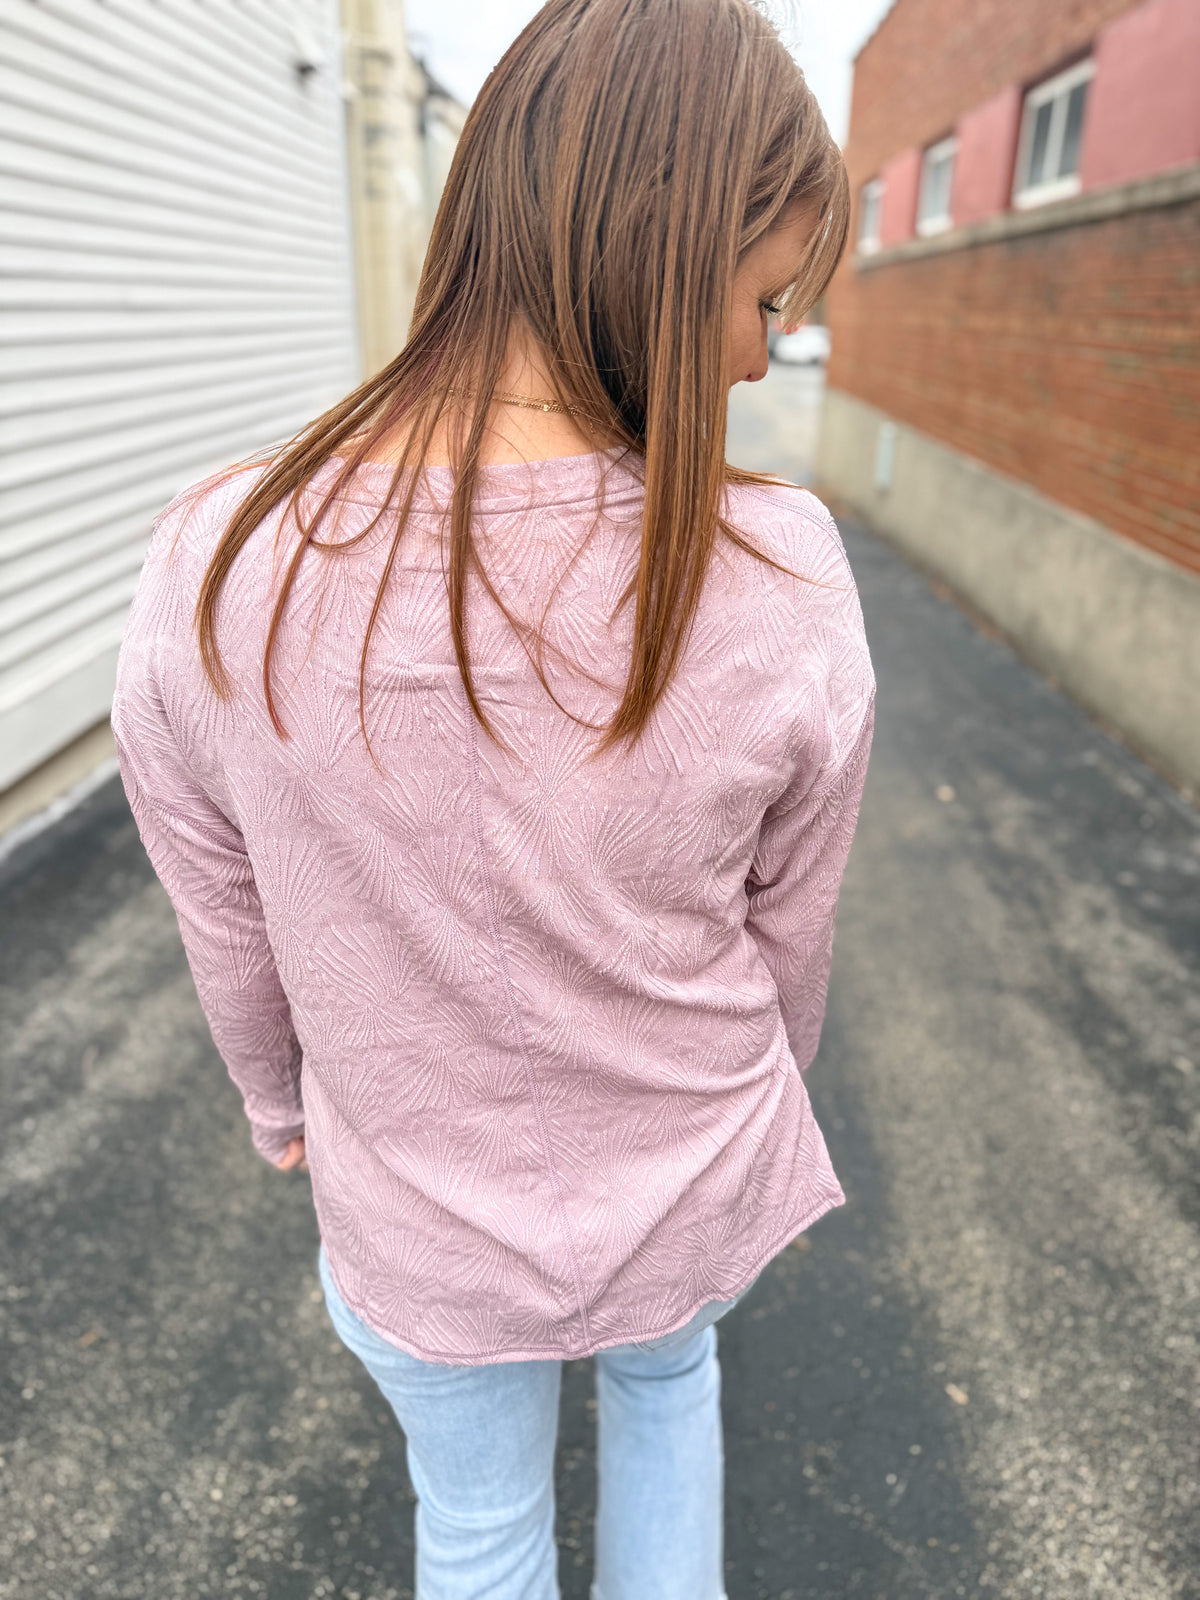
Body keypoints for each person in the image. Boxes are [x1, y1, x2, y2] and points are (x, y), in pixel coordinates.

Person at [110, 1, 875, 1596]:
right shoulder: (779, 563)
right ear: (656, 249)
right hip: (684, 1180)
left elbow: (222, 901)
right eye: (758, 296)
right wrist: (761, 1096)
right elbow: (788, 932)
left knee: (476, 1526)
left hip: (415, 1211)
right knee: (672, 1389)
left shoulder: (222, 556)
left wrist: (278, 1105)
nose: (761, 349)